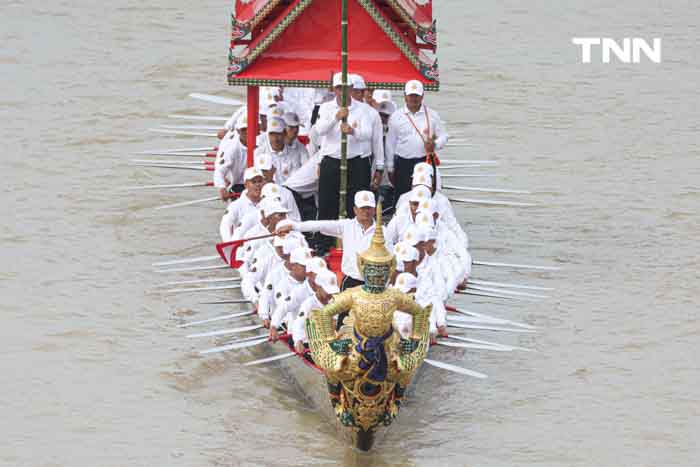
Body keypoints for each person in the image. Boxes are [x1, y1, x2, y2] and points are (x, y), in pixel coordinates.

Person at [276, 191, 378, 291]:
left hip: (374, 283)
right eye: (362, 208)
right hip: (351, 282)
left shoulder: (383, 231)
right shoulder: (347, 226)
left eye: (369, 208)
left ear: (374, 209)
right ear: (355, 209)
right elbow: (321, 225)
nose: (366, 211)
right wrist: (295, 226)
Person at [315, 72, 380, 222]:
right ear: (333, 89)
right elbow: (320, 130)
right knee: (327, 203)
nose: (342, 92)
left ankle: (357, 237)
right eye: (339, 88)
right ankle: (323, 242)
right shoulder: (325, 107)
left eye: (345, 88)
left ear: (351, 88)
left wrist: (352, 131)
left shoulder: (363, 109)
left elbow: (367, 134)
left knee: (356, 202)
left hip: (356, 161)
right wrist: (336, 117)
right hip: (332, 160)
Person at [385, 79, 449, 204]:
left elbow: (444, 136)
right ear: (405, 96)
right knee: (402, 199)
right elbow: (390, 144)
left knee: (427, 197)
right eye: (411, 95)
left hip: (425, 161)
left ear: (422, 96)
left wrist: (435, 144)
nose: (414, 98)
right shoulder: (396, 116)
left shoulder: (432, 115)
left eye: (417, 96)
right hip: (403, 163)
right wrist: (390, 167)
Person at [291, 267, 340, 353]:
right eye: (328, 291)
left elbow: (335, 325)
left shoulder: (336, 302)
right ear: (318, 287)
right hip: (310, 345)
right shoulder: (308, 304)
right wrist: (298, 342)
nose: (331, 294)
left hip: (329, 343)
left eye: (333, 291)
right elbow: (298, 324)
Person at [213, 114, 249, 202]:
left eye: (250, 129)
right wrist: (222, 188)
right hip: (238, 184)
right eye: (244, 130)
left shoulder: (262, 142)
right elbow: (219, 171)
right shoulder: (231, 148)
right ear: (238, 131)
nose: (248, 132)